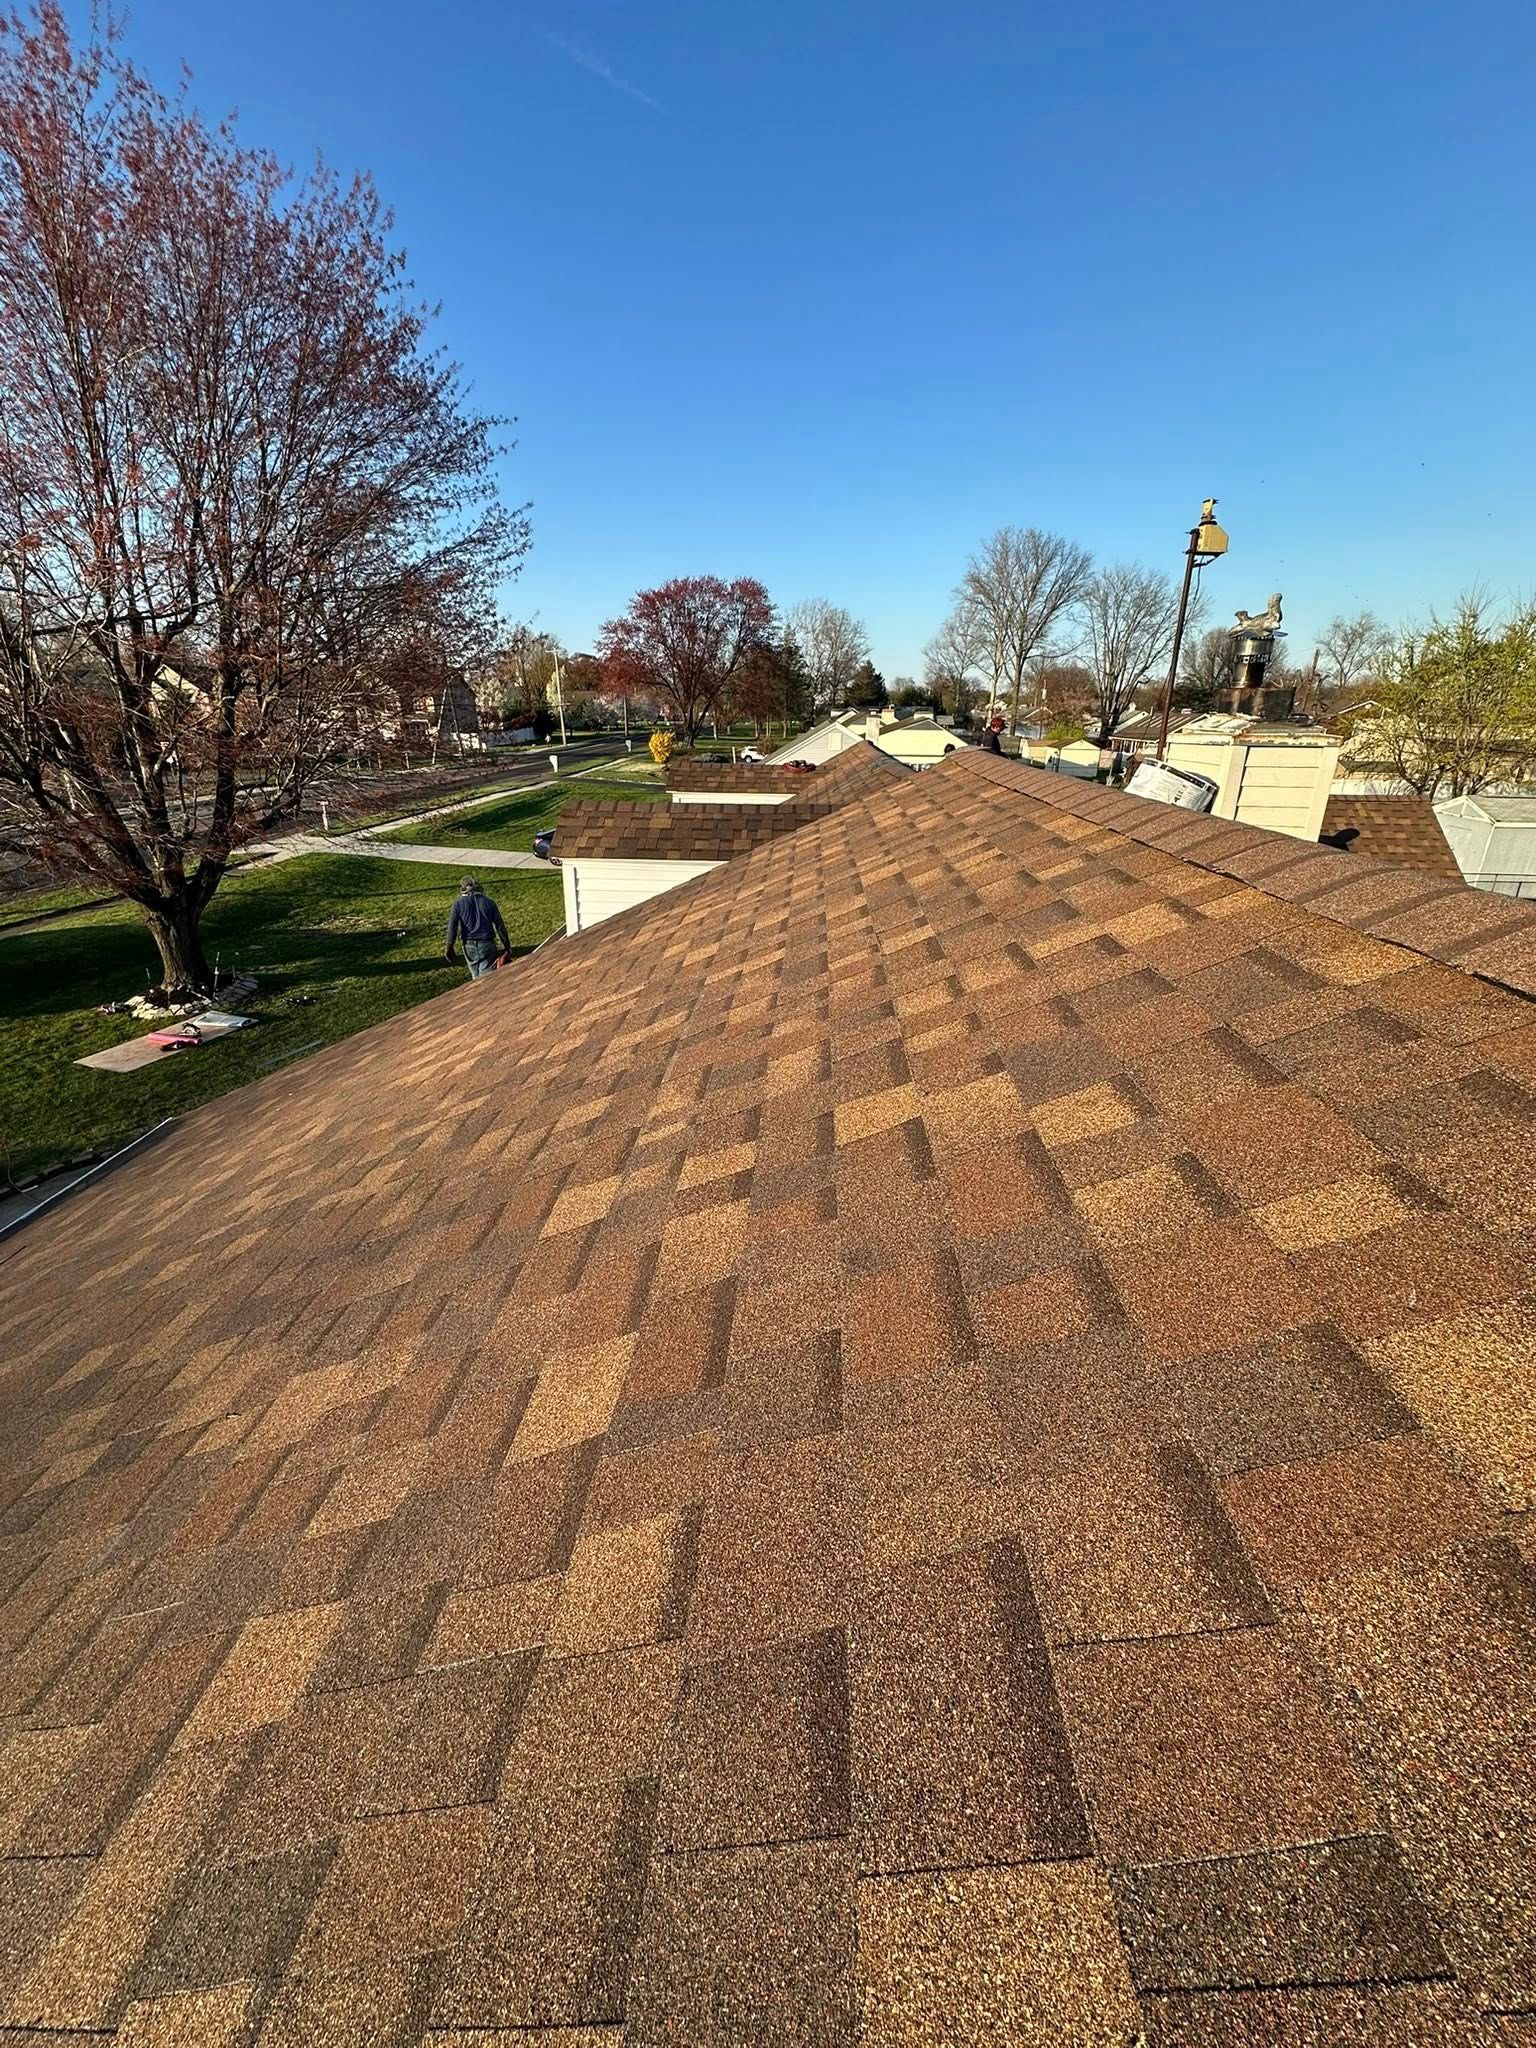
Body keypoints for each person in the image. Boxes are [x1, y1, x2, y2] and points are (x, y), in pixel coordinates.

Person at [445, 876, 511, 980]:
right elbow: (500, 926)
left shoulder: (457, 905)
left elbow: (452, 927)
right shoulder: (489, 902)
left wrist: (449, 947)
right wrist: (507, 946)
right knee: (487, 979)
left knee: (475, 978)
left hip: (469, 947)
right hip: (487, 945)